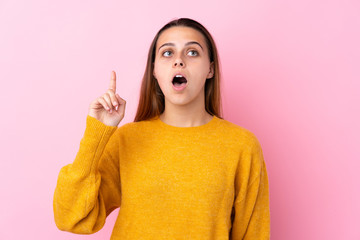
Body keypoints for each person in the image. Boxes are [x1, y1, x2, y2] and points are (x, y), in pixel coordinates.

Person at [53, 18, 270, 239]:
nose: (178, 61)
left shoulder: (242, 145)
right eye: (167, 53)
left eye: (192, 52)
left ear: (210, 69)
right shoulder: (126, 139)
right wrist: (96, 132)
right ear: (155, 70)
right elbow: (71, 217)